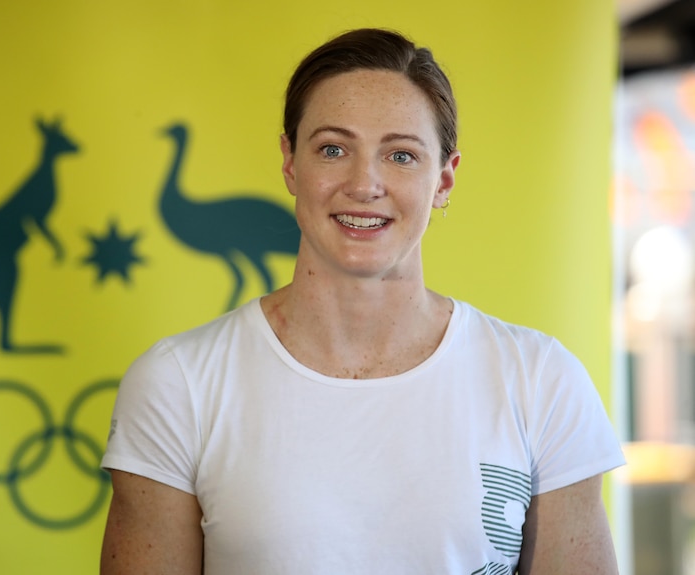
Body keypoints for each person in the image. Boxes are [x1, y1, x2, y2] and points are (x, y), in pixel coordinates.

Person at [100, 28, 625, 574]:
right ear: (289, 163)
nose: (365, 183)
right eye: (333, 149)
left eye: (400, 155)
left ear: (444, 179)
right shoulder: (178, 383)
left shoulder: (541, 380)